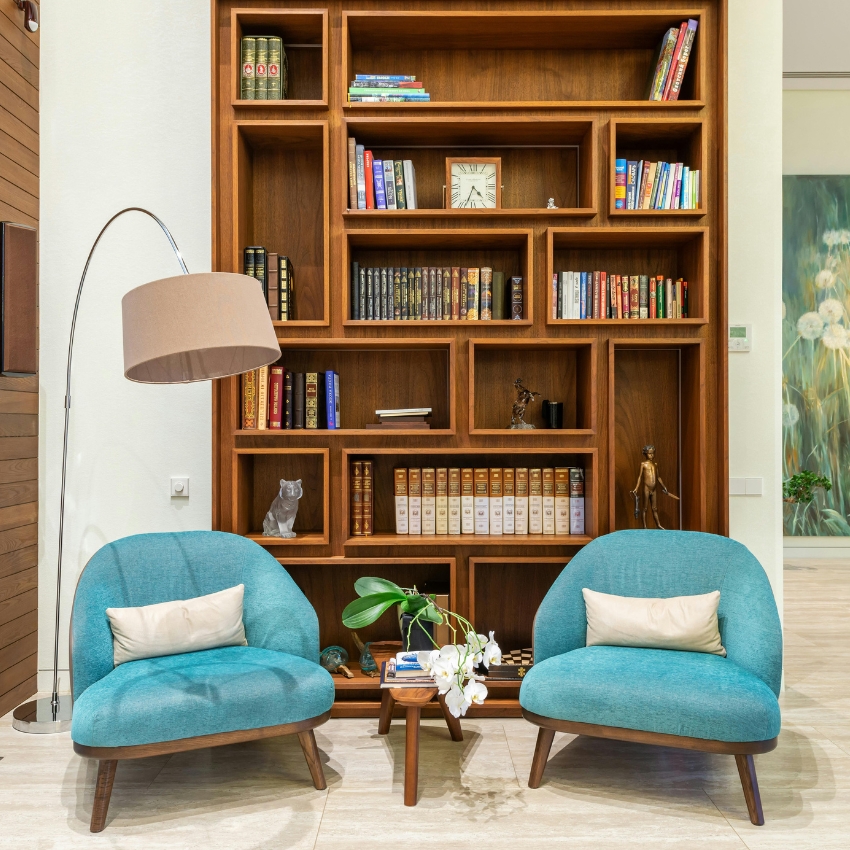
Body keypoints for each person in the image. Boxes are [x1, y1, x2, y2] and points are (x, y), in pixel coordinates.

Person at [630, 444, 679, 529]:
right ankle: (645, 527)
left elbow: (658, 477)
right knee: (645, 508)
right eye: (649, 453)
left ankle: (658, 525)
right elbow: (640, 477)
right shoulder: (643, 464)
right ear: (645, 454)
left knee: (655, 508)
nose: (651, 455)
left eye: (652, 453)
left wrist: (664, 486)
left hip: (654, 489)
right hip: (646, 488)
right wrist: (636, 488)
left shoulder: (655, 464)